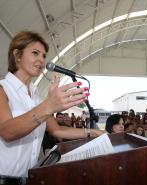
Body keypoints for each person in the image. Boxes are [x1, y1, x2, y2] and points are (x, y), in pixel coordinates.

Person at [0, 31, 103, 183]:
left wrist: (93, 132)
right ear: (17, 55)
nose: (41, 60)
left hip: (29, 179)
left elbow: (57, 130)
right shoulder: (3, 89)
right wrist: (48, 105)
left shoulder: (35, 97)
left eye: (43, 55)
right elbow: (7, 131)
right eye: (35, 53)